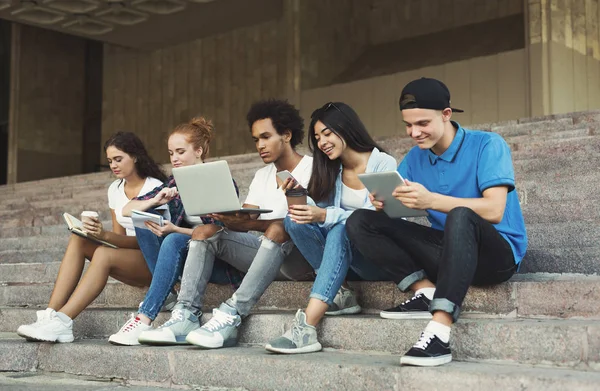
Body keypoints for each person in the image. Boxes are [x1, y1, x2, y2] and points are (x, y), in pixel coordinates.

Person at [346, 77, 528, 367]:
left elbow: (494, 210)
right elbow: (398, 204)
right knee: (360, 221)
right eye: (408, 125)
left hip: (497, 256)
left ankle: (439, 333)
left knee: (460, 215)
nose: (414, 133)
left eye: (422, 123)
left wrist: (430, 201)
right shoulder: (414, 159)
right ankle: (424, 290)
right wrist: (382, 204)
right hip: (448, 253)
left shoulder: (489, 145)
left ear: (446, 114)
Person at [138, 99, 315, 348]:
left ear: (286, 134)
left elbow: (305, 221)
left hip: (299, 260)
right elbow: (248, 220)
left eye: (265, 137)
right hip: (261, 253)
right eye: (256, 140)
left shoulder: (313, 168)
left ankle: (232, 313)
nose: (260, 146)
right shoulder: (262, 175)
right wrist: (228, 218)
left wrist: (251, 225)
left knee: (280, 227)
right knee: (204, 231)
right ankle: (186, 315)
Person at [265, 102, 396, 354]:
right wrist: (300, 196)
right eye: (317, 137)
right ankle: (342, 292)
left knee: (341, 228)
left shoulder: (382, 163)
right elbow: (319, 216)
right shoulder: (331, 170)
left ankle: (306, 326)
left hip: (377, 258)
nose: (322, 142)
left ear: (346, 128)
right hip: (344, 260)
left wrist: (325, 214)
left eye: (327, 133)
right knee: (294, 220)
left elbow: (379, 220)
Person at [16, 132, 168, 343]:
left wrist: (104, 236)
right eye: (110, 161)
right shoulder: (115, 189)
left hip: (156, 262)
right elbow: (118, 236)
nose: (113, 165)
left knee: (104, 255)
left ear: (135, 156)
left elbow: (153, 242)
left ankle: (63, 321)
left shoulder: (155, 188)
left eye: (118, 159)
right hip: (130, 258)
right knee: (79, 239)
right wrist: (97, 234)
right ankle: (50, 314)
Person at [106, 117, 239, 345]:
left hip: (216, 261)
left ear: (198, 150)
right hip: (186, 258)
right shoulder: (172, 183)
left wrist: (176, 229)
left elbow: (222, 234)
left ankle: (144, 317)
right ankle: (166, 294)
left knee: (174, 238)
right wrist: (156, 199)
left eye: (180, 152)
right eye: (171, 153)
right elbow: (126, 210)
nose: (174, 159)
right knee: (145, 222)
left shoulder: (219, 181)